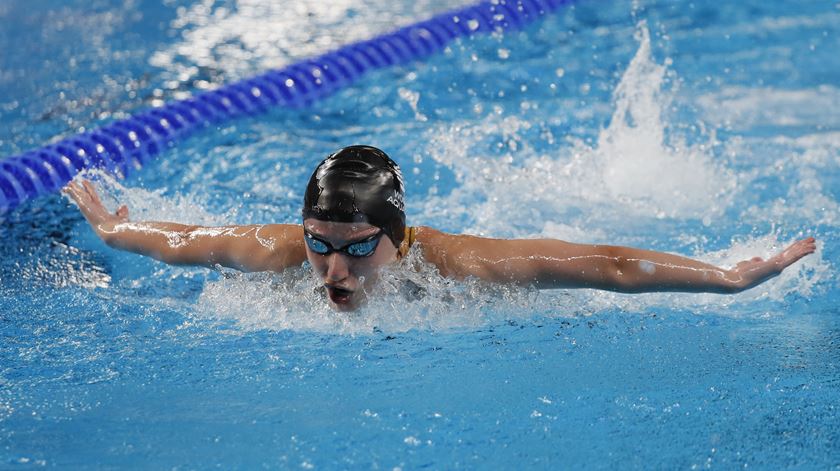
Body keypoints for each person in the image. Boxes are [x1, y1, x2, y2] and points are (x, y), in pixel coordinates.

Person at [64, 145, 817, 311]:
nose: (333, 270)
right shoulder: (284, 250)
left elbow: (611, 264)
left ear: (398, 234)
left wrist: (727, 276)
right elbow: (185, 243)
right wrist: (113, 231)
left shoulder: (461, 263)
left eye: (358, 248)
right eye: (320, 244)